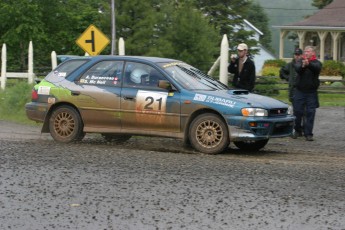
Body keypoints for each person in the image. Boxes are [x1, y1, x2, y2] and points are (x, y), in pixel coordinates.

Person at [293, 46, 322, 141]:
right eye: (305, 51)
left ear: (313, 53)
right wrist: (303, 65)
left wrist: (308, 64)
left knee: (310, 113)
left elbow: (316, 69)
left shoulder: (316, 63)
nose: (306, 53)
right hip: (299, 91)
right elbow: (297, 69)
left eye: (308, 51)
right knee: (297, 111)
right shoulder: (299, 61)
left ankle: (308, 133)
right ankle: (297, 130)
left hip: (311, 92)